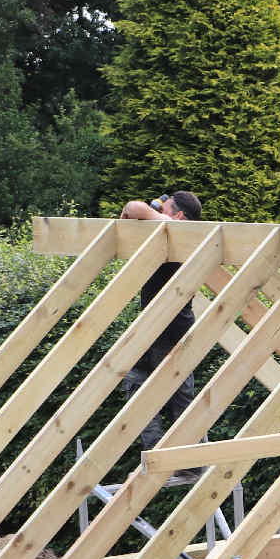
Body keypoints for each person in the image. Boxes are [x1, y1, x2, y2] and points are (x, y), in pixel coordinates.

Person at [118, 192, 204, 459]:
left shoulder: (175, 232)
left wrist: (146, 211)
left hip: (161, 330)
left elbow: (134, 207)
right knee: (178, 394)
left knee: (141, 386)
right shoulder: (188, 239)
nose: (157, 208)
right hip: (171, 329)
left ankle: (162, 456)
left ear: (177, 216)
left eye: (165, 207)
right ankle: (189, 460)